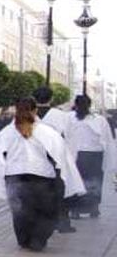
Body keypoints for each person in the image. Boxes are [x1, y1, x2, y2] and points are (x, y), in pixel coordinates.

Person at [0, 98, 85, 250]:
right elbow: (61, 155)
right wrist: (64, 174)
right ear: (35, 110)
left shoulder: (6, 133)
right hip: (41, 177)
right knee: (44, 210)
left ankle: (24, 239)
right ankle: (38, 239)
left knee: (20, 209)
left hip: (15, 177)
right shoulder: (46, 131)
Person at [35, 88, 77, 234]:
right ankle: (62, 223)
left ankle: (41, 221)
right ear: (51, 99)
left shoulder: (28, 114)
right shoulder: (61, 116)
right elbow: (69, 137)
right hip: (56, 158)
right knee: (59, 189)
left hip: (35, 158)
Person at [67, 94, 114, 218]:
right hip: (95, 156)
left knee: (78, 182)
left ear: (75, 105)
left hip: (77, 156)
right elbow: (107, 139)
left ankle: (76, 210)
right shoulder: (99, 120)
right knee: (95, 182)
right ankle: (93, 208)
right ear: (90, 105)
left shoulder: (70, 118)